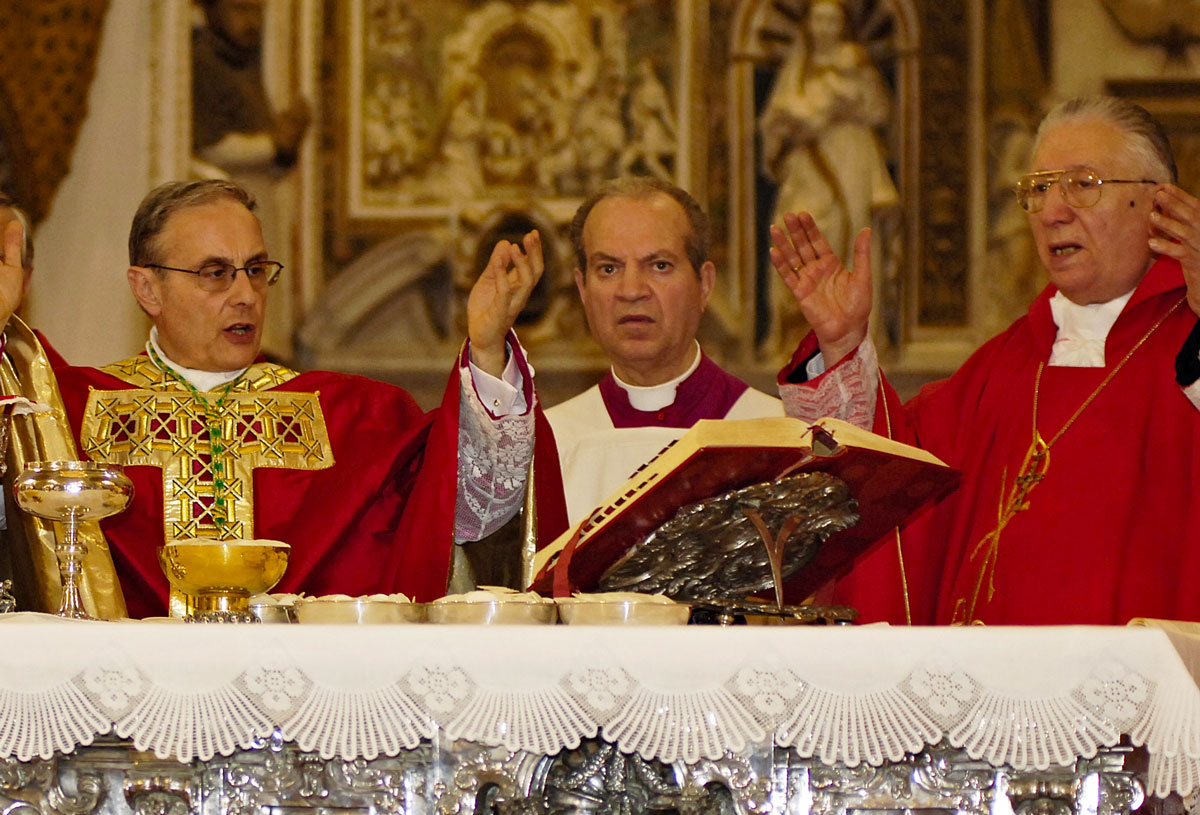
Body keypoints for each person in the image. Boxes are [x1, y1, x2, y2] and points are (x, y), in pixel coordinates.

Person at [7, 179, 544, 618]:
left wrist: (487, 345)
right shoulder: (72, 410)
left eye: (257, 271)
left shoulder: (352, 415)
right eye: (215, 274)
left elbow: (473, 510)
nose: (245, 295)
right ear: (147, 289)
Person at [770, 95, 1200, 626]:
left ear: (1160, 205)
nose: (1052, 211)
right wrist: (841, 347)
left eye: (1082, 185)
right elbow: (891, 481)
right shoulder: (1004, 364)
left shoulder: (1190, 340)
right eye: (1039, 189)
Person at [544, 178, 787, 528]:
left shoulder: (776, 434)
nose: (631, 291)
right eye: (608, 269)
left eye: (659, 265)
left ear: (704, 285)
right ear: (583, 288)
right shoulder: (551, 445)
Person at [758, 0, 898, 354]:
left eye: (831, 20)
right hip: (807, 167)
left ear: (842, 25)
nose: (824, 27)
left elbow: (881, 110)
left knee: (851, 237)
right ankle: (797, 336)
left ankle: (854, 335)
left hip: (850, 156)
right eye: (818, 19)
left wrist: (843, 103)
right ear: (808, 24)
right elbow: (774, 122)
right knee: (798, 234)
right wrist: (792, 125)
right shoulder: (798, 68)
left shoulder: (856, 62)